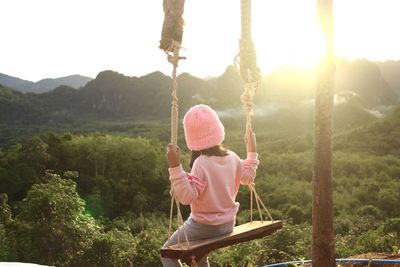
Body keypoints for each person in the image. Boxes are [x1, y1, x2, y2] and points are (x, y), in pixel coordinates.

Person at [161, 104, 258, 267]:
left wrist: (175, 167)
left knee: (167, 253)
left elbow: (186, 197)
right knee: (200, 257)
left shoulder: (201, 163)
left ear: (191, 139)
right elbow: (249, 177)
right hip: (227, 224)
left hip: (204, 226)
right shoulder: (233, 157)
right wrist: (252, 150)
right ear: (218, 130)